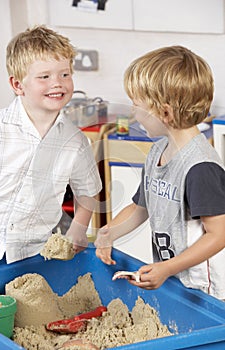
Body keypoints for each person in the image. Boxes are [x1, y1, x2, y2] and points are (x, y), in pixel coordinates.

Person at [95, 45, 225, 300]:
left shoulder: (200, 168)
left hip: (208, 291)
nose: (134, 113)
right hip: (176, 278)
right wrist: (109, 232)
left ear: (165, 112)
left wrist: (167, 267)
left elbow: (219, 234)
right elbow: (140, 207)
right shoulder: (158, 152)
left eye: (137, 106)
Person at [0, 25, 102, 264]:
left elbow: (88, 191)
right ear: (17, 85)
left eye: (65, 74)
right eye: (44, 77)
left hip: (35, 254)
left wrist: (78, 229)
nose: (57, 83)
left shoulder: (75, 142)